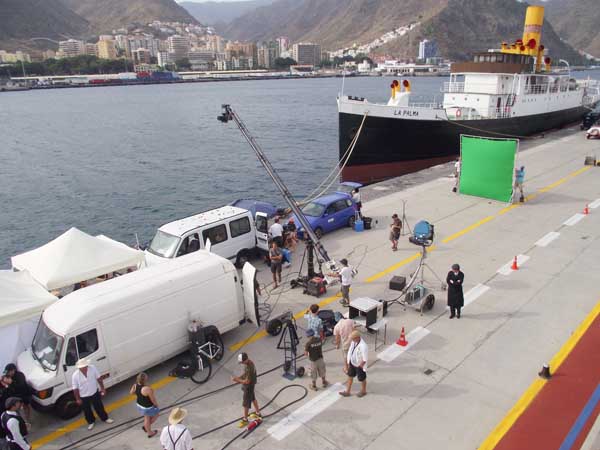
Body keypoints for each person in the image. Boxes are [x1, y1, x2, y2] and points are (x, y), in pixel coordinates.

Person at [72, 359, 114, 430]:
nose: (84, 368)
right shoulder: (75, 375)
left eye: (85, 366)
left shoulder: (92, 368)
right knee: (87, 410)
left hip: (94, 392)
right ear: (79, 368)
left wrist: (102, 388)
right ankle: (91, 422)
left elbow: (99, 379)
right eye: (82, 367)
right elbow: (75, 388)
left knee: (99, 406)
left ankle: (105, 418)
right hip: (84, 396)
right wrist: (78, 399)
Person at [231, 353, 261, 428]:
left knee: (246, 403)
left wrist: (236, 379)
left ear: (245, 360)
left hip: (249, 386)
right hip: (251, 385)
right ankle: (258, 413)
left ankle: (245, 419)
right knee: (253, 398)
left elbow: (247, 381)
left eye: (241, 362)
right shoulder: (249, 362)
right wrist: (239, 377)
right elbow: (245, 374)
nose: (241, 363)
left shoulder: (249, 367)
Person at [339, 331, 368, 398]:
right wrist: (349, 362)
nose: (351, 340)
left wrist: (360, 367)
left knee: (362, 379)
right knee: (350, 376)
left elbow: (365, 359)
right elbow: (350, 351)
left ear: (357, 338)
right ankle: (348, 391)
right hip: (352, 363)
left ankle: (363, 391)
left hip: (359, 365)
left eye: (353, 339)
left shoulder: (363, 346)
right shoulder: (354, 342)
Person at [129, 372, 159, 438]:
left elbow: (131, 392)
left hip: (140, 404)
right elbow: (152, 399)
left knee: (147, 418)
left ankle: (147, 427)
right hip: (147, 407)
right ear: (145, 380)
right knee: (156, 415)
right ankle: (149, 432)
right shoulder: (147, 389)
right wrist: (156, 405)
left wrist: (138, 394)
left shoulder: (135, 385)